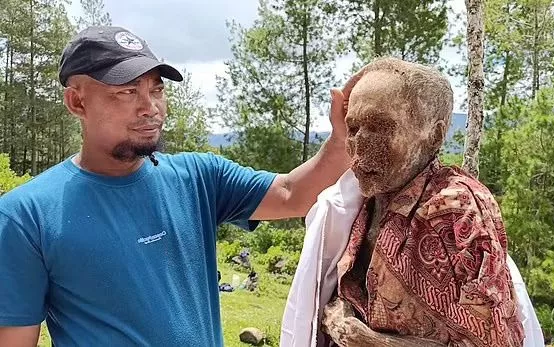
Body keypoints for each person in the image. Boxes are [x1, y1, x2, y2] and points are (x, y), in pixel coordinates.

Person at [0, 25, 352, 346]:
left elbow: (294, 195)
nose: (150, 107)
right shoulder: (27, 215)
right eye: (126, 92)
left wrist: (342, 140)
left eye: (156, 90)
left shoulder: (200, 177)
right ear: (77, 102)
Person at [315, 57, 526, 346]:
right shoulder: (362, 203)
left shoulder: (456, 210)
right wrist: (336, 314)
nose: (361, 144)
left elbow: (497, 342)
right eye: (353, 128)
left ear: (434, 136)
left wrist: (375, 343)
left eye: (380, 126)